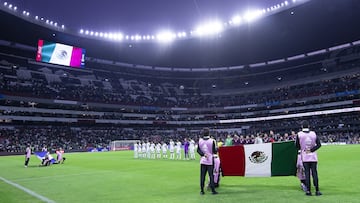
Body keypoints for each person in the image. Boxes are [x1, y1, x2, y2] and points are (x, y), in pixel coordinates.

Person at [296, 121, 322, 196]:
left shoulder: (299, 134)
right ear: (309, 126)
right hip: (313, 156)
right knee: (314, 173)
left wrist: (304, 148)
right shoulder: (314, 133)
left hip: (304, 156)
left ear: (302, 126)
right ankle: (317, 191)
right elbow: (319, 145)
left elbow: (297, 146)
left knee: (307, 173)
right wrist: (311, 150)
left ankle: (308, 191)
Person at [197, 128, 218, 195]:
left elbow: (198, 150)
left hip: (203, 160)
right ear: (209, 133)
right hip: (210, 160)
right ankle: (213, 190)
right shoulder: (212, 141)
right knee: (211, 175)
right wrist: (216, 149)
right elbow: (214, 151)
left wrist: (203, 154)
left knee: (202, 176)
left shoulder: (200, 141)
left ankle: (202, 190)